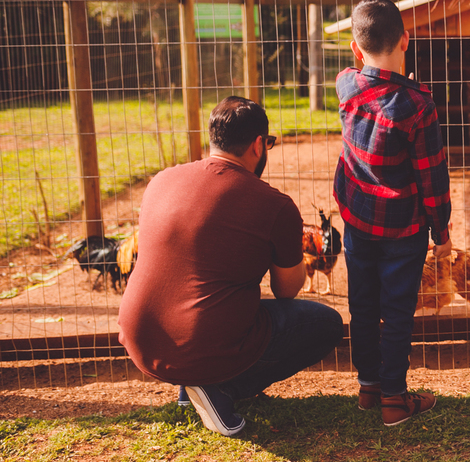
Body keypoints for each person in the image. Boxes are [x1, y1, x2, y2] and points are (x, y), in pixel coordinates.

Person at [119, 97, 343, 436]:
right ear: (258, 145)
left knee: (202, 295)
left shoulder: (161, 180)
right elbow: (286, 290)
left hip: (141, 338)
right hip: (198, 343)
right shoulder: (273, 204)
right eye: (268, 143)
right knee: (325, 322)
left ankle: (189, 389)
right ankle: (218, 389)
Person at [335, 0, 452, 427]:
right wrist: (442, 233)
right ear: (406, 39)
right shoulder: (417, 105)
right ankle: (394, 400)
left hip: (357, 222)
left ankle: (369, 387)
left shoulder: (345, 84)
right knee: (398, 309)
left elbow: (357, 76)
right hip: (402, 229)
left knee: (363, 303)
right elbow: (431, 177)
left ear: (354, 48)